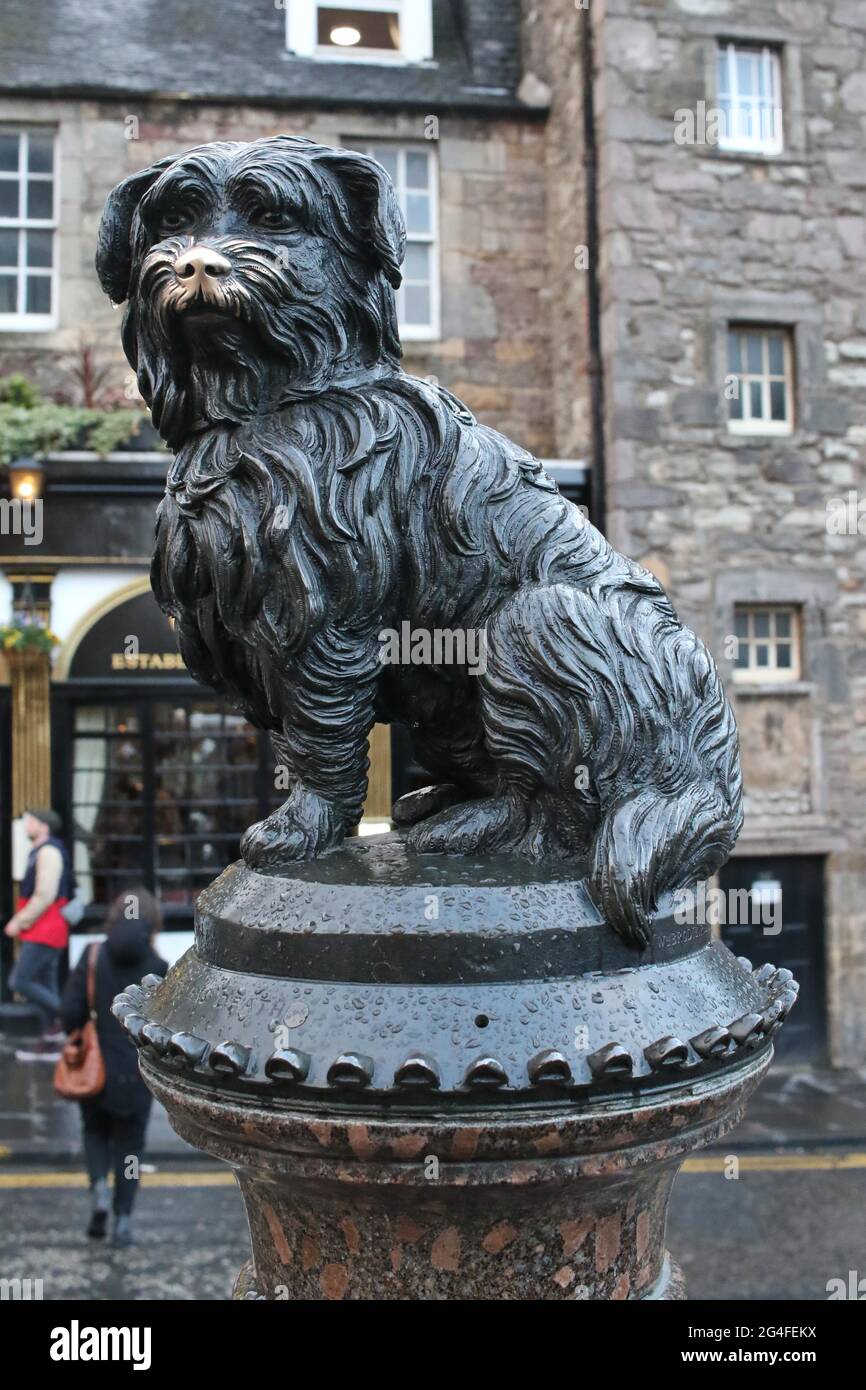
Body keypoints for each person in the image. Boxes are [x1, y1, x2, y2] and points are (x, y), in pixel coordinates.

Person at [60, 888, 167, 1247]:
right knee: (130, 1148)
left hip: (96, 1072)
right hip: (136, 1076)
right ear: (151, 923)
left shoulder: (92, 955)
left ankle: (99, 1193)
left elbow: (70, 1013)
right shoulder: (158, 968)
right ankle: (122, 1221)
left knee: (93, 1132)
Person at [4, 808, 72, 1060]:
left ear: (44, 826)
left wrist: (19, 922)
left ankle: (72, 1019)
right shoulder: (42, 851)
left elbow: (44, 895)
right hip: (45, 929)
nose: (26, 826)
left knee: (19, 981)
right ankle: (52, 1040)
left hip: (45, 930)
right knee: (45, 983)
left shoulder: (49, 852)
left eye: (30, 821)